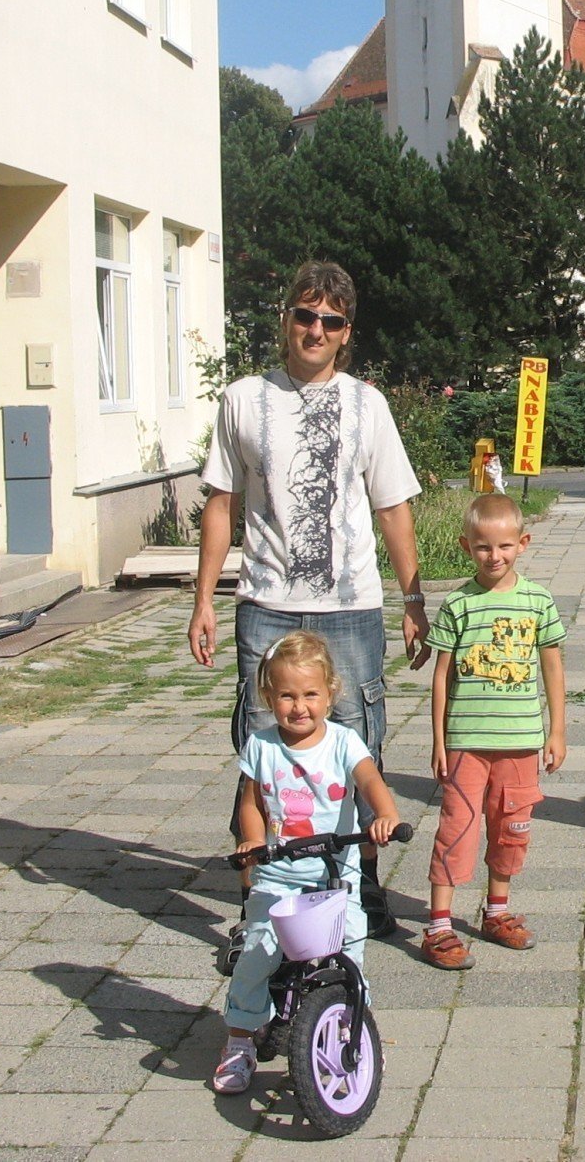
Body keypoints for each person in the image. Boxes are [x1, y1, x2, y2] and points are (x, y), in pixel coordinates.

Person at [189, 261, 429, 955]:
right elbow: (222, 503)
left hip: (351, 607)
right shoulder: (242, 399)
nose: (315, 330)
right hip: (266, 604)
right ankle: (257, 899)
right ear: (286, 318)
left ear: (346, 332)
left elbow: (393, 505)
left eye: (330, 321)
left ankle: (363, 884)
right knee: (263, 751)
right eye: (304, 315)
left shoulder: (366, 405)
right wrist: (204, 600)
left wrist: (413, 599)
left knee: (358, 745)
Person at [213, 631, 401, 1094]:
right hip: (279, 872)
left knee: (351, 943)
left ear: (330, 693)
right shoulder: (261, 746)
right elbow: (251, 801)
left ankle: (348, 1023)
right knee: (259, 951)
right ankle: (239, 1040)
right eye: (287, 696)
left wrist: (385, 814)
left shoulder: (342, 742)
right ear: (268, 697)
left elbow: (369, 779)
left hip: (337, 873)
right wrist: (253, 840)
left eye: (310, 694)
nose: (300, 707)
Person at [420, 493, 567, 970]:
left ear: (523, 544)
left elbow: (552, 667)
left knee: (511, 828)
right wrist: (440, 740)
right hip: (466, 742)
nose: (494, 556)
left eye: (504, 546)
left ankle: (496, 911)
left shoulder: (538, 600)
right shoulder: (459, 604)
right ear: (467, 547)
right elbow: (441, 675)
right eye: (483, 547)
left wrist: (557, 730)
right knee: (456, 829)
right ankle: (440, 924)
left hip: (521, 742)